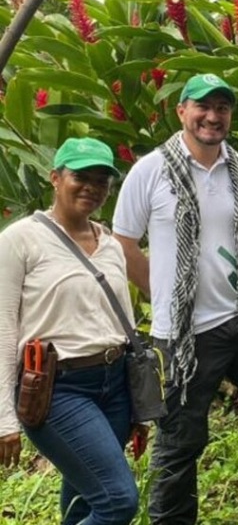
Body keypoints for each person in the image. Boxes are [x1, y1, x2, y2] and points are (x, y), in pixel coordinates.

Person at [112, 73, 238, 524]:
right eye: (202, 106)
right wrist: (166, 295)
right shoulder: (150, 170)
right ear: (181, 110)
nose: (212, 115)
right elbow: (123, 244)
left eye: (222, 107)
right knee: (180, 444)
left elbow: (234, 236)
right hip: (184, 333)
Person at [0, 137, 139, 524]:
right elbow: (2, 330)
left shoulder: (109, 243)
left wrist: (139, 401)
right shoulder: (20, 240)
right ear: (55, 178)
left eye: (102, 179)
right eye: (81, 176)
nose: (92, 187)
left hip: (113, 386)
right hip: (56, 389)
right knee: (117, 501)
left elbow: (123, 324)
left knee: (84, 501)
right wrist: (3, 418)